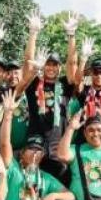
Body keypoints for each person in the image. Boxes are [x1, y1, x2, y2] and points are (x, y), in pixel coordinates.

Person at [0, 90, 75, 200]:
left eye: (39, 150)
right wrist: (8, 115)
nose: (35, 153)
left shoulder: (45, 177)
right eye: (31, 149)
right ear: (22, 153)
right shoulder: (13, 170)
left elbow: (71, 195)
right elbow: (4, 144)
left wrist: (54, 196)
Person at [23, 11, 78, 186]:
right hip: (35, 136)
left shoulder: (64, 85)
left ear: (59, 68)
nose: (51, 68)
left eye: (55, 65)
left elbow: (72, 64)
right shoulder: (34, 83)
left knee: (60, 174)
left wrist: (71, 36)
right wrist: (33, 33)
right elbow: (28, 62)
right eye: (48, 64)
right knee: (32, 175)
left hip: (57, 138)